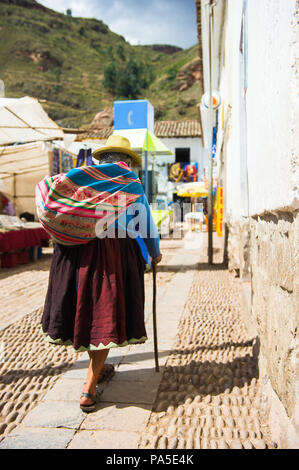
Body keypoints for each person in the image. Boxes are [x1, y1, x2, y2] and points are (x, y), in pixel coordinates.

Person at [37, 135, 162, 412]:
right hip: (112, 256)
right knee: (103, 316)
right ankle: (89, 388)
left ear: (101, 159)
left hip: (72, 256)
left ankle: (98, 368)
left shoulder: (83, 179)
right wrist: (154, 251)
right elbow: (145, 221)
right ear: (127, 160)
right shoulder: (129, 182)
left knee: (85, 311)